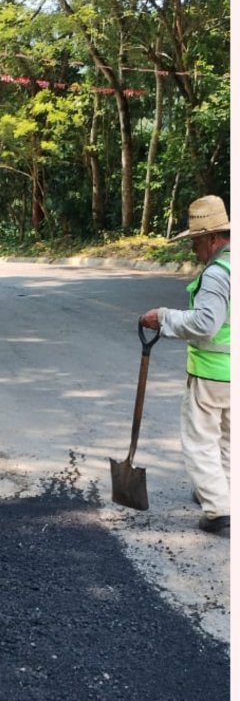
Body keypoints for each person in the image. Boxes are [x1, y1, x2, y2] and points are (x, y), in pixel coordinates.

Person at [140, 195, 230, 535]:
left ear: (212, 238)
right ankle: (223, 492)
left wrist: (163, 318)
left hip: (212, 372)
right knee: (228, 438)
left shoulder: (217, 274)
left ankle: (218, 509)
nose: (193, 248)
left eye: (196, 240)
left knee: (200, 440)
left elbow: (205, 323)